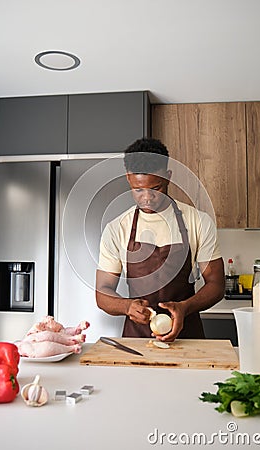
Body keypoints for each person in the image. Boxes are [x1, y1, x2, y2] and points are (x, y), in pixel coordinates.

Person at [95, 138, 224, 341]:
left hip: (187, 337)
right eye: (138, 190)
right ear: (129, 179)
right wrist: (127, 306)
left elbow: (216, 284)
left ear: (168, 177)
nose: (147, 198)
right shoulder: (117, 228)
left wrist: (184, 308)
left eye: (156, 188)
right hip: (136, 341)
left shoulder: (197, 221)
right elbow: (102, 292)